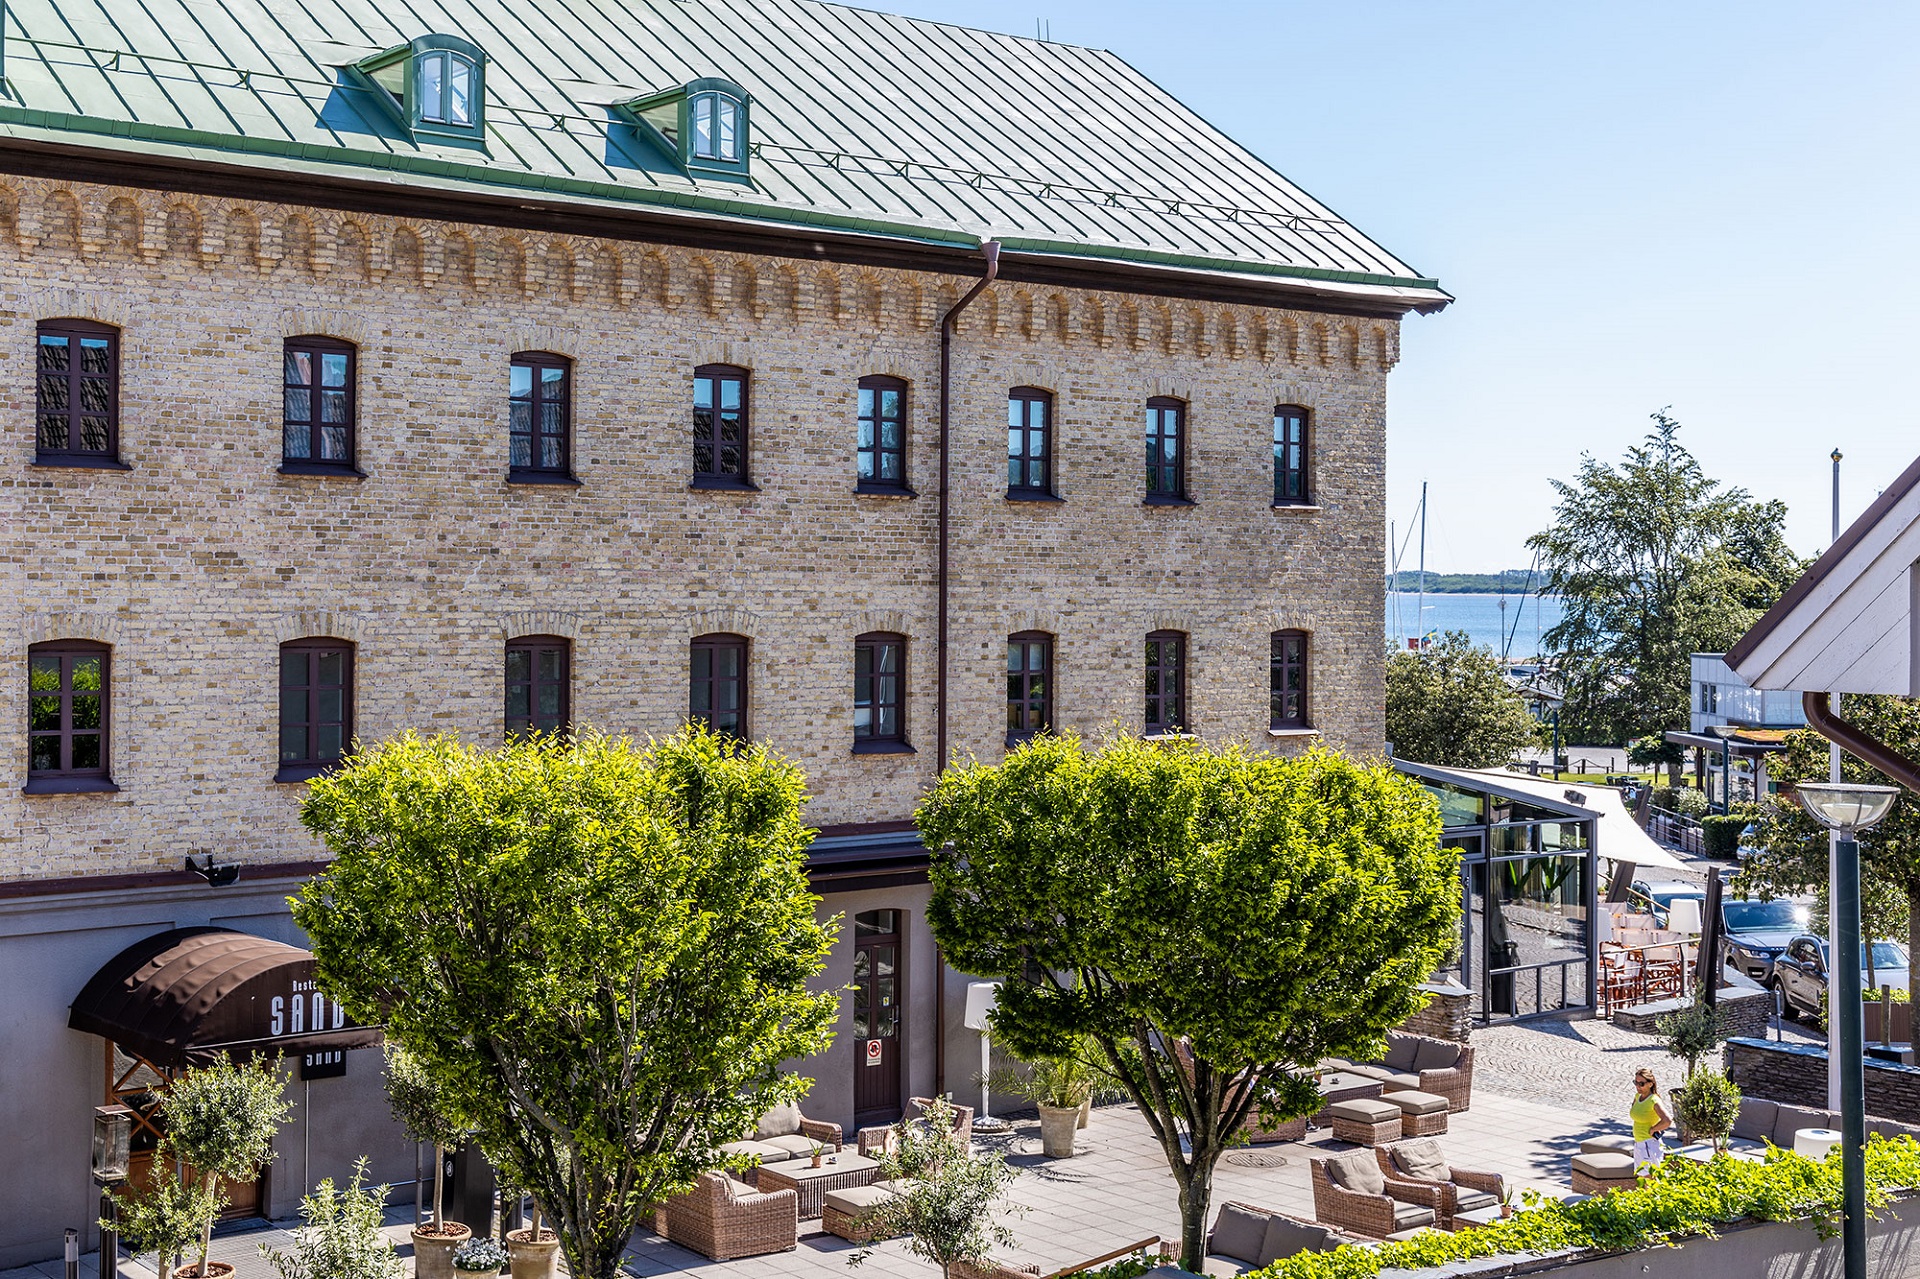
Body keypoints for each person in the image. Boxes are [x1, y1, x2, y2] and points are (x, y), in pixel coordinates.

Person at [1631, 1068, 1672, 1172]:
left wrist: (1654, 1129)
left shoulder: (1653, 1100)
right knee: (1642, 1177)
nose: (1638, 1086)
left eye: (1641, 1084)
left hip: (1649, 1144)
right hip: (1638, 1143)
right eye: (1636, 1082)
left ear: (1650, 1084)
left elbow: (1667, 1120)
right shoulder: (1637, 1097)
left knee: (1650, 1178)